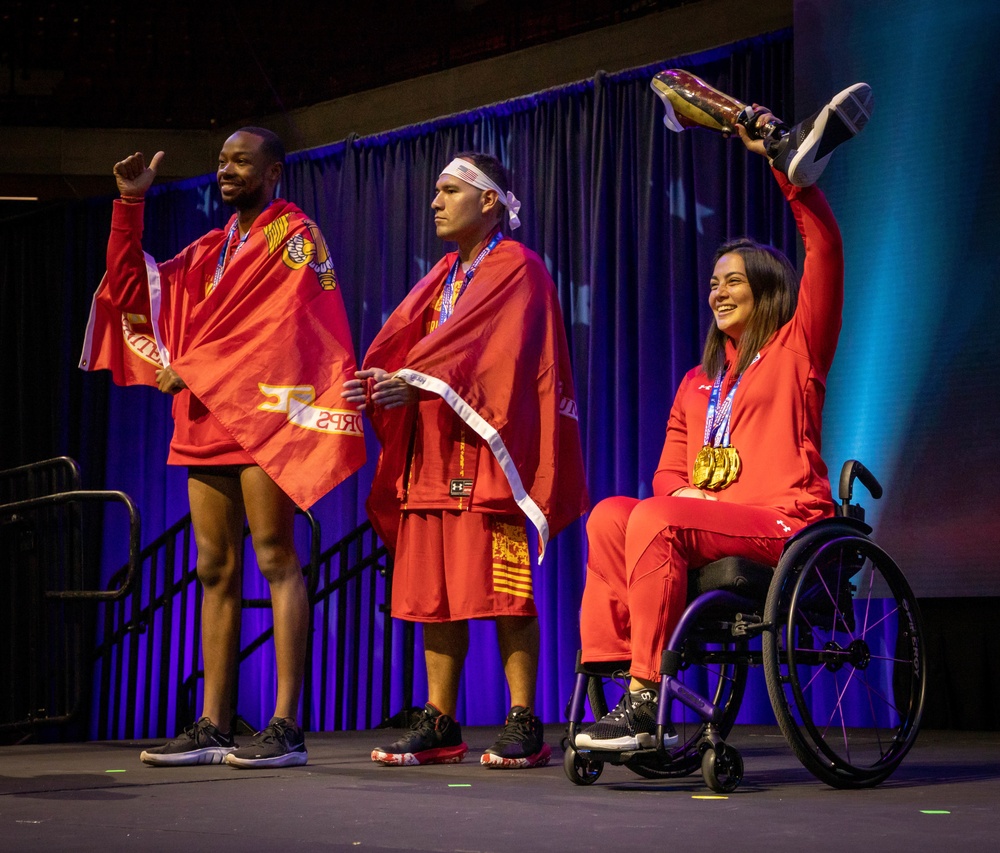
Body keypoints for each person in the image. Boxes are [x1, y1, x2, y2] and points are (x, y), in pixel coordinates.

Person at [575, 92, 866, 751]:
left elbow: (826, 251)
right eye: (712, 282)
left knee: (656, 516)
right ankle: (616, 670)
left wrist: (793, 183)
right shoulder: (697, 382)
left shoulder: (798, 347)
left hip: (785, 523)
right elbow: (670, 473)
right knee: (611, 516)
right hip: (712, 521)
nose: (716, 291)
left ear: (768, 291)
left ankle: (647, 697)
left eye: (732, 280)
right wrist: (683, 495)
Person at [80, 127, 366, 767]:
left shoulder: (294, 235)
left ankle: (286, 726)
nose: (227, 169)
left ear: (274, 173)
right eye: (221, 160)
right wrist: (130, 206)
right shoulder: (212, 247)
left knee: (275, 557)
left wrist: (200, 365)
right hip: (205, 421)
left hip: (262, 415)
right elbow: (132, 291)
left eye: (242, 160)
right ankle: (213, 725)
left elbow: (283, 323)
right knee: (214, 569)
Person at [342, 152, 588, 769]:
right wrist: (381, 381)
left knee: (504, 593)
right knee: (433, 596)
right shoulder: (443, 277)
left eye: (448, 190)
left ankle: (524, 717)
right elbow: (416, 349)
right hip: (431, 456)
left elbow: (501, 359)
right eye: (434, 192)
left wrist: (416, 378)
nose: (435, 202)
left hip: (488, 455)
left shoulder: (517, 267)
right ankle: (441, 720)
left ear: (489, 201)